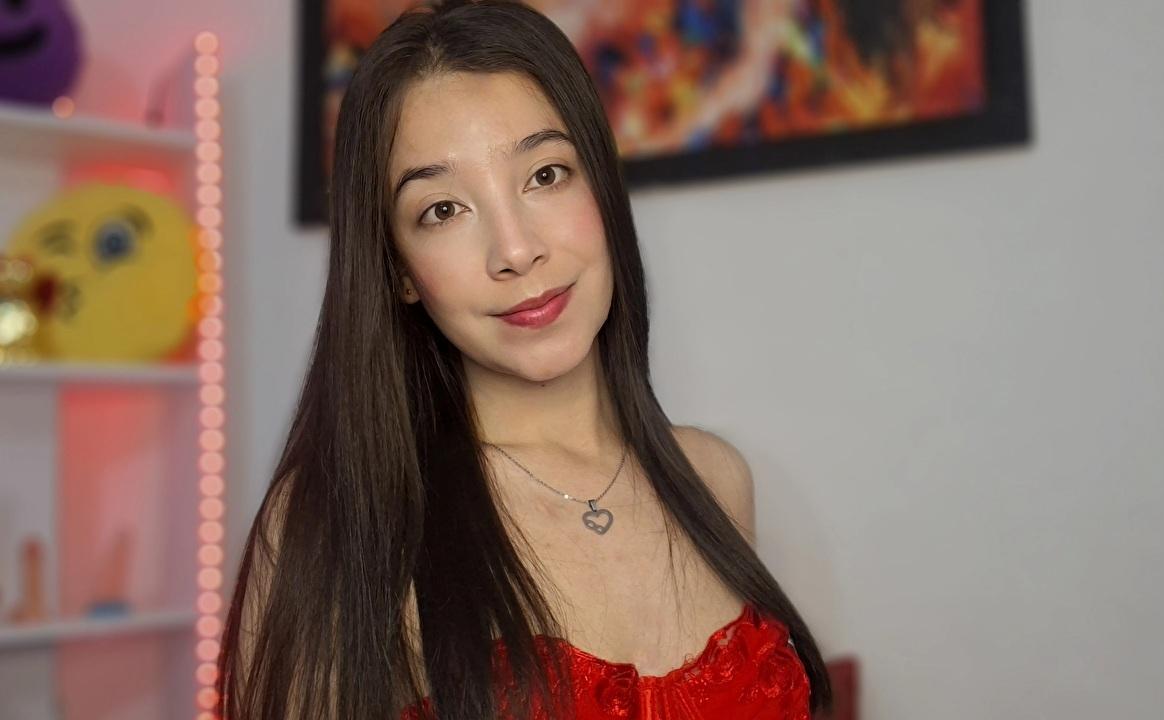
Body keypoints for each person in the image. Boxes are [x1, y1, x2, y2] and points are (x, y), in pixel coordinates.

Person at [217, 2, 833, 718]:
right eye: (443, 210)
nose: (515, 250)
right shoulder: (343, 521)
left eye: (545, 174)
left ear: (602, 188)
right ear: (400, 270)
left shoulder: (717, 480)